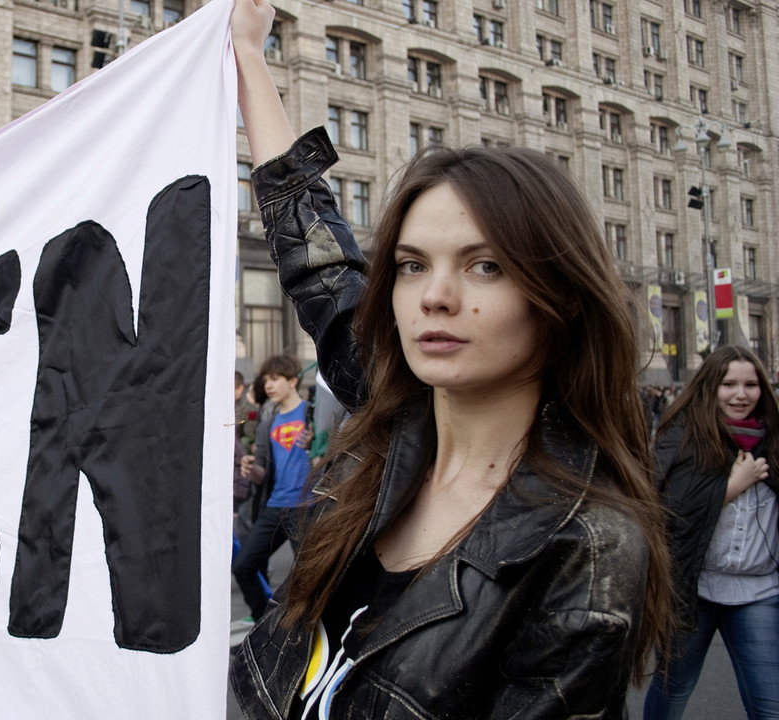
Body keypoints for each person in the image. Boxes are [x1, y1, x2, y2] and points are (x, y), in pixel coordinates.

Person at [228, 0, 673, 716]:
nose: (434, 296)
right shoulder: (389, 417)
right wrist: (250, 53)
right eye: (409, 264)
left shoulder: (586, 548)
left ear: (556, 295)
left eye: (485, 266)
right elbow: (316, 253)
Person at [643, 345, 778, 720]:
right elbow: (666, 512)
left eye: (750, 384)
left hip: (759, 592)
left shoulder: (776, 439)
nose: (740, 394)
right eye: (729, 384)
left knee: (770, 706)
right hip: (692, 591)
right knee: (672, 693)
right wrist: (733, 485)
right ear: (710, 387)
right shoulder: (681, 437)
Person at [233, 355, 309, 623]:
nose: (268, 385)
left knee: (309, 577)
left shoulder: (313, 413)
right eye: (266, 380)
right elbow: (262, 474)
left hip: (307, 506)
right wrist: (249, 467)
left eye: (275, 379)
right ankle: (264, 621)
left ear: (292, 381)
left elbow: (332, 455)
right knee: (243, 566)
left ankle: (306, 630)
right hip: (275, 505)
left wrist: (315, 445)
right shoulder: (267, 424)